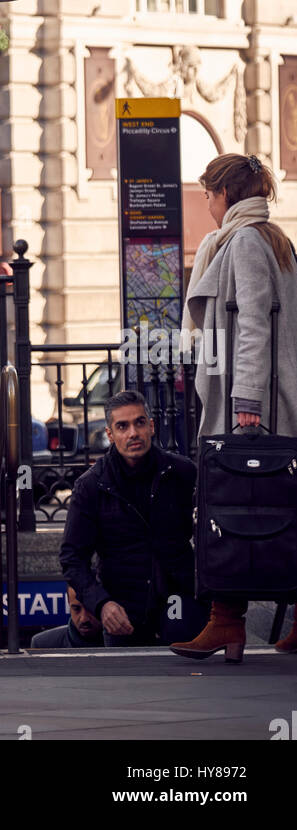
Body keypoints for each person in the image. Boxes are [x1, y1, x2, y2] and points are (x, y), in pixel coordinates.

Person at [171, 153, 297, 661]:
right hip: (278, 400)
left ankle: (226, 622)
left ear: (225, 194)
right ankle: (231, 623)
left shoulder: (243, 242)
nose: (205, 204)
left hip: (250, 407)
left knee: (233, 505)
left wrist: (246, 403)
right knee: (277, 506)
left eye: (207, 194)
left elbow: (252, 326)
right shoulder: (276, 239)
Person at [60, 391, 208, 647]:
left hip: (180, 599)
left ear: (151, 426)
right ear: (110, 434)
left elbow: (211, 536)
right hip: (122, 607)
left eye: (139, 423)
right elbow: (72, 557)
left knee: (187, 678)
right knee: (125, 682)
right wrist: (101, 603)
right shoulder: (91, 485)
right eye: (122, 426)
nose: (132, 433)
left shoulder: (182, 472)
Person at [30, 587, 103, 649]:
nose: (83, 619)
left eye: (90, 609)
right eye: (76, 609)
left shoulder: (113, 642)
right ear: (68, 604)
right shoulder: (43, 644)